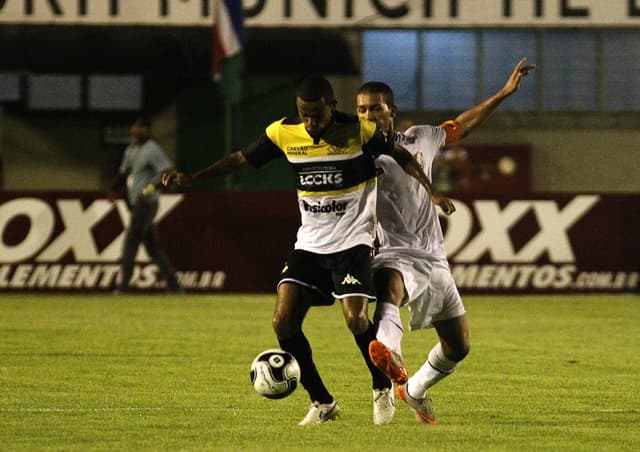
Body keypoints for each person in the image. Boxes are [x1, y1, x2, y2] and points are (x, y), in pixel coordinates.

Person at [162, 76, 452, 425]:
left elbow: (402, 156)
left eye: (316, 115)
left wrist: (431, 191)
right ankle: (322, 401)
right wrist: (194, 177)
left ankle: (381, 387)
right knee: (282, 323)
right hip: (310, 245)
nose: (310, 123)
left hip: (353, 243)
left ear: (332, 107)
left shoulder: (358, 131)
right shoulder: (284, 133)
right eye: (304, 116)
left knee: (357, 319)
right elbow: (241, 157)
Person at [355, 58, 536, 424]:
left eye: (375, 107)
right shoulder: (354, 151)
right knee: (390, 286)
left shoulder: (423, 137)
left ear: (392, 110)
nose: (368, 114)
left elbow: (463, 125)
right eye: (360, 109)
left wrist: (503, 93)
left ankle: (415, 389)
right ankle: (389, 353)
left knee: (459, 345)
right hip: (388, 250)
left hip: (433, 256)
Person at [109, 116, 182, 294]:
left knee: (131, 241)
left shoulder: (152, 150)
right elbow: (123, 172)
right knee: (153, 248)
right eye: (133, 126)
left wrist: (149, 189)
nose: (134, 130)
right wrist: (112, 189)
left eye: (138, 127)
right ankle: (175, 287)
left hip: (147, 203)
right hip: (136, 203)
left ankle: (124, 287)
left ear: (146, 130)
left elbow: (167, 172)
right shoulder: (131, 150)